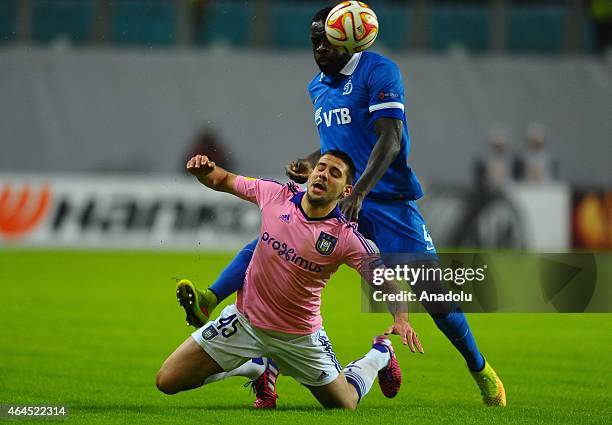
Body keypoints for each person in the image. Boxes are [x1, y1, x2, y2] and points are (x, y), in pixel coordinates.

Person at [178, 5, 505, 407]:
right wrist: (311, 162)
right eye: (313, 40)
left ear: (347, 39)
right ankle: (216, 303)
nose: (318, 47)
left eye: (326, 40)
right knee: (270, 242)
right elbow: (340, 146)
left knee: (434, 296)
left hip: (387, 203)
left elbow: (391, 139)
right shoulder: (318, 86)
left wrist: (362, 192)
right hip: (344, 198)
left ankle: (479, 368)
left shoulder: (378, 72)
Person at [157, 151, 424, 409]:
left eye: (335, 173)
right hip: (245, 322)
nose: (323, 175)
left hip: (300, 338)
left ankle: (380, 354)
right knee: (167, 381)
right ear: (311, 174)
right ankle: (256, 365)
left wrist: (401, 319)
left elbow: (387, 283)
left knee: (345, 402)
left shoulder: (346, 238)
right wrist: (205, 171)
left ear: (346, 191)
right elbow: (224, 179)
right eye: (321, 167)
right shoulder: (276, 195)